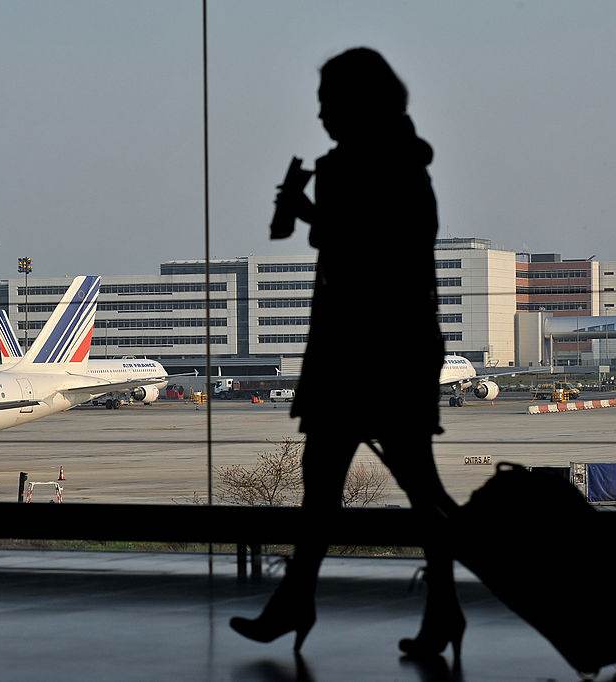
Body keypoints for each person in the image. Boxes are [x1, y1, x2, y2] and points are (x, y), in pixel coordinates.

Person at [230, 47, 463, 664]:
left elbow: (376, 256)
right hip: (370, 348)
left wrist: (309, 213)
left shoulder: (386, 168)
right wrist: (311, 214)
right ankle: (432, 608)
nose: (321, 114)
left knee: (378, 487)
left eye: (330, 102)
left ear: (361, 104)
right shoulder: (390, 165)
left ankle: (309, 603)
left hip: (376, 349)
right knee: (362, 484)